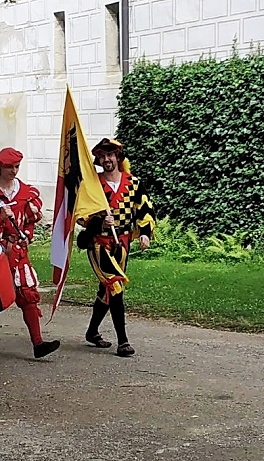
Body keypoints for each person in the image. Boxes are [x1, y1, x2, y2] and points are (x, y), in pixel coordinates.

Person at [0, 147, 61, 359]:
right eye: (9, 167)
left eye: (17, 166)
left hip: (19, 252)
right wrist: (0, 218)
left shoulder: (26, 194)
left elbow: (30, 221)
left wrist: (25, 235)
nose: (14, 170)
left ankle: (38, 343)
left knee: (28, 295)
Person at [76, 138, 155, 357]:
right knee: (115, 285)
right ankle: (123, 341)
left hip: (122, 243)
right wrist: (100, 222)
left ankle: (92, 332)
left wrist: (145, 233)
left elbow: (145, 209)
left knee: (106, 290)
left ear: (118, 157)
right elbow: (81, 216)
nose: (106, 160)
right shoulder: (93, 185)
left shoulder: (133, 183)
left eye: (109, 155)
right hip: (98, 243)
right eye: (102, 156)